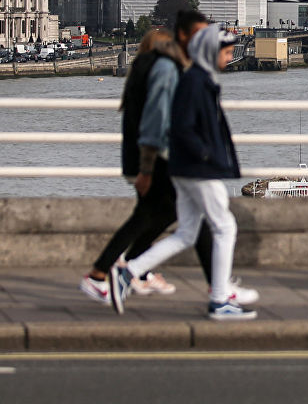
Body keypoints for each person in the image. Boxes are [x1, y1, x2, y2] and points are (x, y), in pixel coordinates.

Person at [110, 25, 259, 321]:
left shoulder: (196, 78)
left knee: (187, 233)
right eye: (226, 53)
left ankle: (130, 272)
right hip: (198, 168)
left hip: (186, 167)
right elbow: (184, 127)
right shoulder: (197, 82)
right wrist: (207, 155)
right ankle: (219, 298)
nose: (229, 58)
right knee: (225, 226)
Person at [79, 16, 215, 303]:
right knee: (166, 217)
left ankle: (130, 271)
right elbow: (158, 123)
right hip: (151, 161)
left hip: (144, 159)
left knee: (157, 215)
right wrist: (147, 167)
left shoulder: (142, 72)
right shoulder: (164, 71)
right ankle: (105, 273)